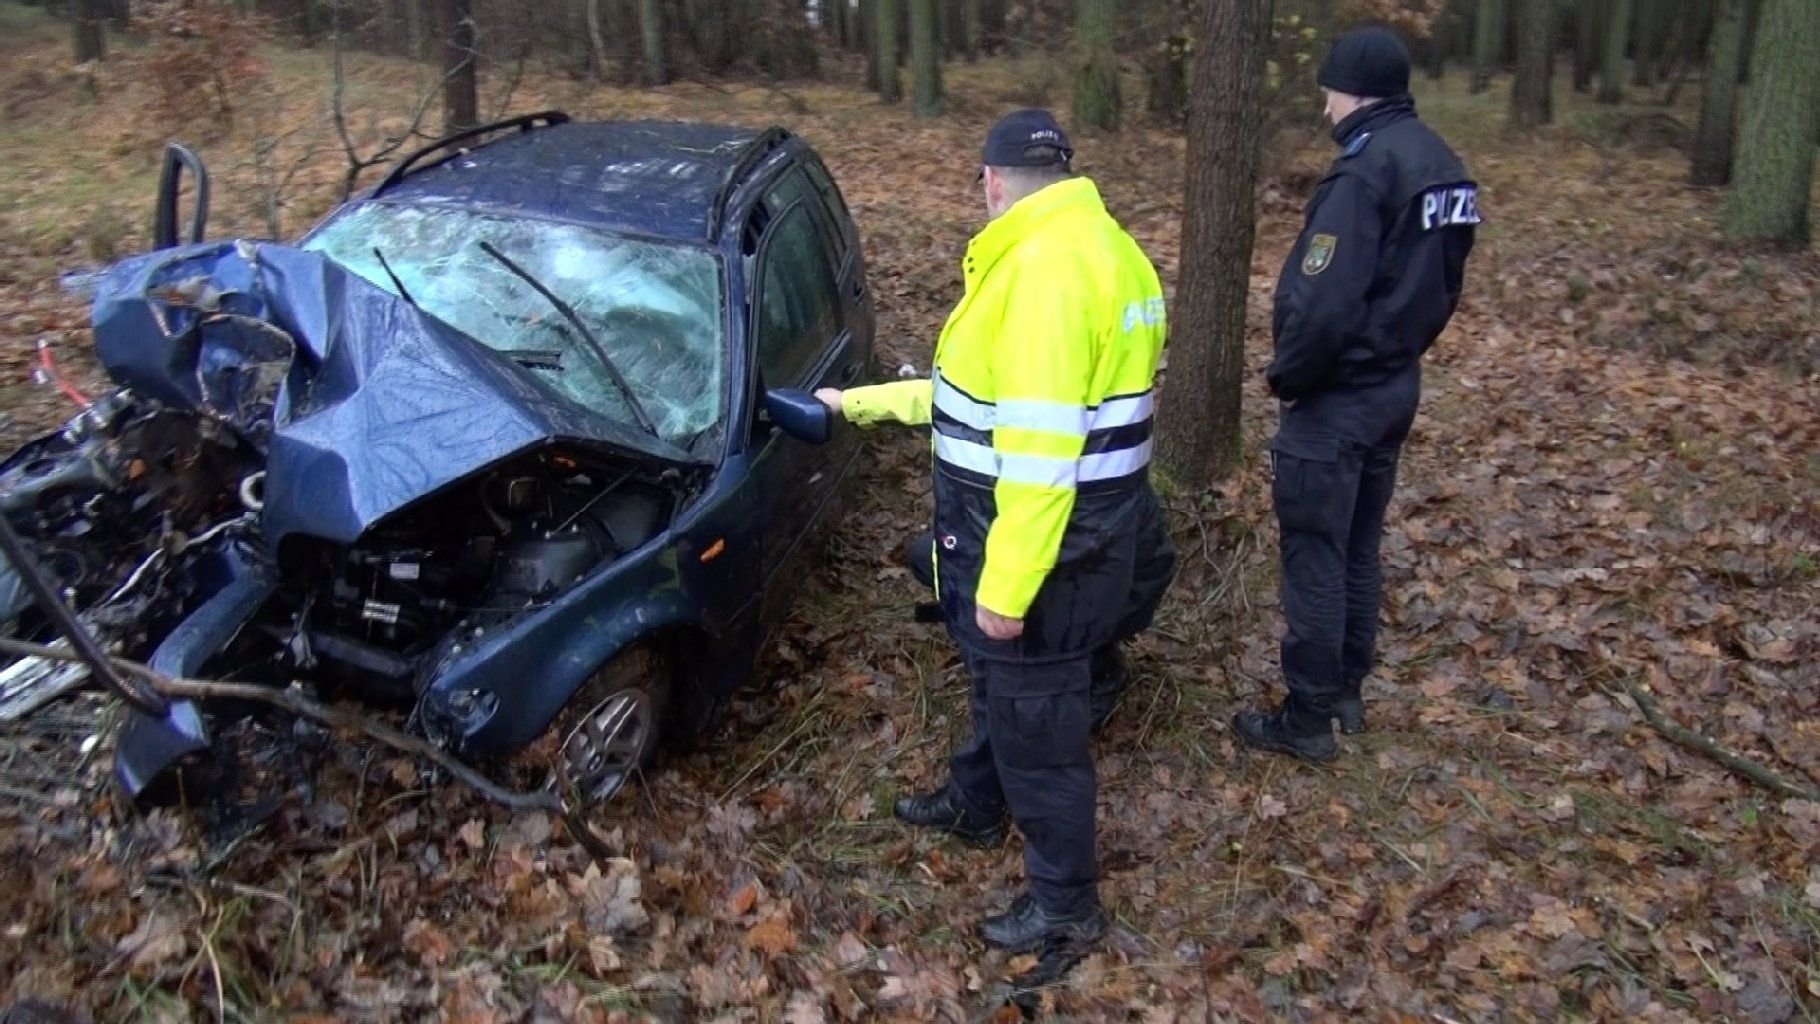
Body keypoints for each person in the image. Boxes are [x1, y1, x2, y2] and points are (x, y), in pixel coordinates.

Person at [814, 109, 1173, 954]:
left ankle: (1066, 909)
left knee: (1040, 735)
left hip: (1046, 556)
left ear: (992, 181)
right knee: (1004, 695)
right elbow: (981, 400)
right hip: (1090, 536)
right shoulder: (1109, 250)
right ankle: (978, 802)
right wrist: (855, 406)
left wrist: (1007, 592)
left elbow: (1041, 460)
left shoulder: (1044, 275)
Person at [1232, 25, 1479, 764]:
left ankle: (1307, 717)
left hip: (1338, 396)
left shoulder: (1363, 175)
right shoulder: (1442, 166)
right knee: (1358, 546)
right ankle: (1345, 691)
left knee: (1316, 553)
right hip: (1395, 385)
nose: (1326, 107)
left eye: (1331, 93)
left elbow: (1320, 303)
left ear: (1356, 93)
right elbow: (1442, 285)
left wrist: (1291, 375)